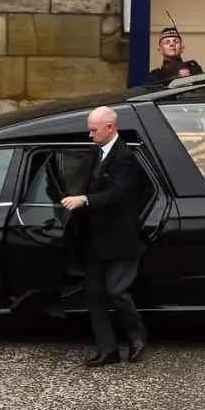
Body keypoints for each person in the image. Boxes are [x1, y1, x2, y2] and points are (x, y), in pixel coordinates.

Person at [61, 106, 148, 367]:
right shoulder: (94, 152)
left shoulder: (126, 158)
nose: (90, 135)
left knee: (117, 291)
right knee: (94, 294)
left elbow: (118, 193)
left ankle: (138, 336)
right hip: (94, 240)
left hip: (120, 239)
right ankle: (107, 350)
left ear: (110, 128)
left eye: (94, 130)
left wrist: (84, 200)